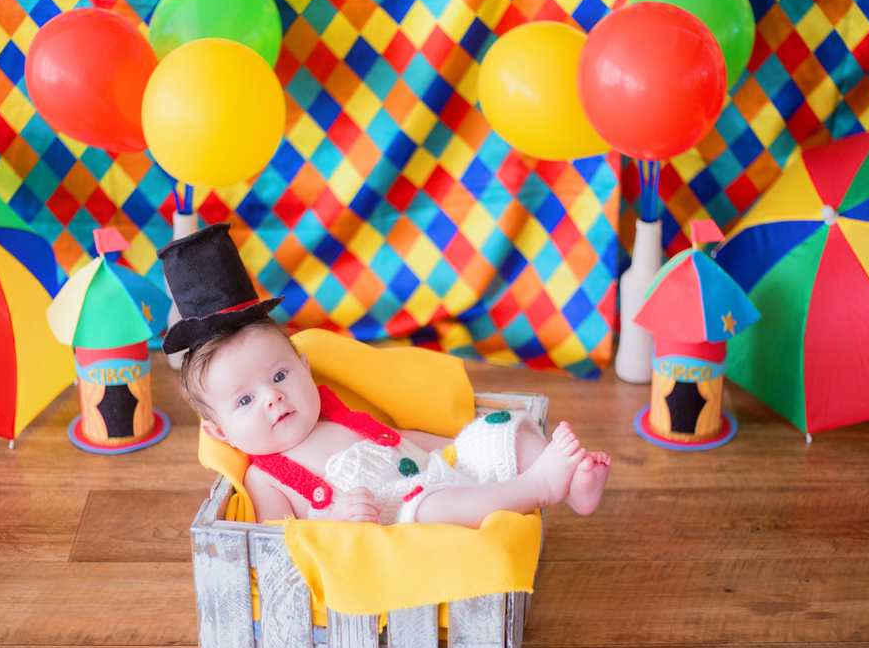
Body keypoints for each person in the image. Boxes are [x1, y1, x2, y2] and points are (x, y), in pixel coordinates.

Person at [159, 224, 611, 528]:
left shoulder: (332, 413)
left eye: (279, 376)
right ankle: (539, 487)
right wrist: (337, 519)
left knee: (500, 432)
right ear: (221, 431)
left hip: (436, 470)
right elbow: (283, 544)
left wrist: (458, 445)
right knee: (436, 507)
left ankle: (575, 491)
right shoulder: (266, 477)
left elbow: (398, 438)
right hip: (404, 515)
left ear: (305, 368)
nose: (272, 399)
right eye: (244, 401)